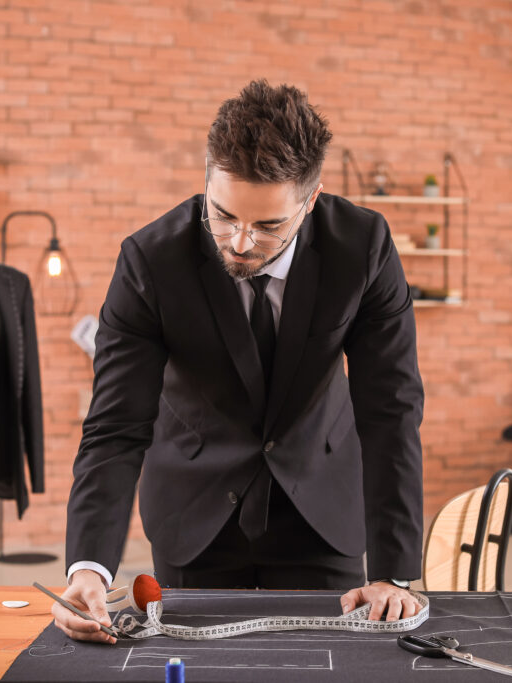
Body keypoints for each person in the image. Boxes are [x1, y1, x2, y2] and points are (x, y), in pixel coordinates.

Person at [53, 80, 424, 644]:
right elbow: (116, 426)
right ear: (206, 179)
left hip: (322, 505)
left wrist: (395, 571)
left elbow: (390, 410)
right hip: (193, 512)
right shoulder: (150, 260)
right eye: (222, 214)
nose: (241, 242)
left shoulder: (363, 248)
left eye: (269, 225)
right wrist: (87, 568)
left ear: (312, 199)